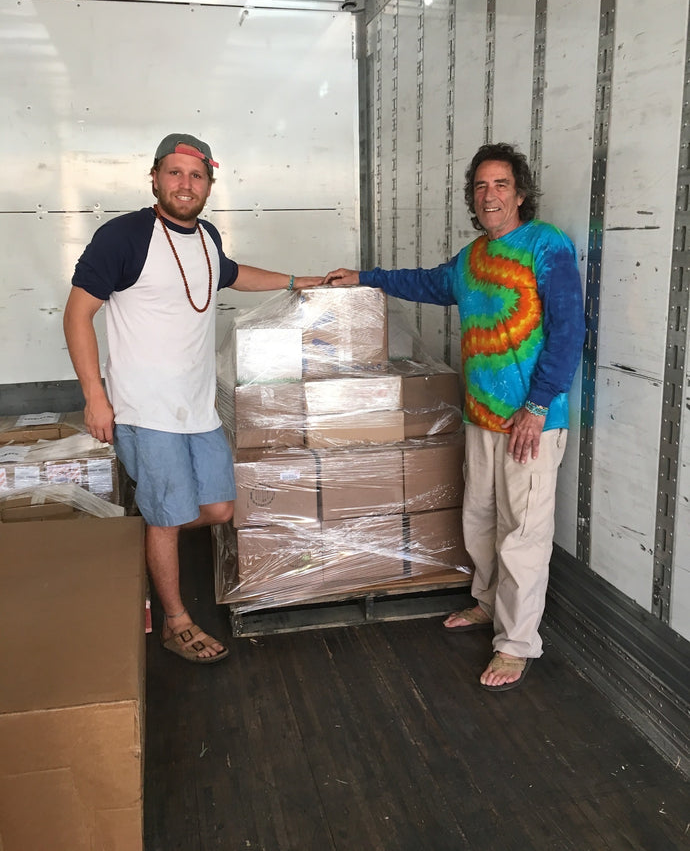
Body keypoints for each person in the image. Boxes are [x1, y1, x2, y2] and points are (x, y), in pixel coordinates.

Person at [325, 142, 585, 692]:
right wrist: (365, 278)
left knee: (524, 534)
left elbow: (568, 332)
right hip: (482, 419)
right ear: (473, 197)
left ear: (520, 193)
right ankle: (489, 605)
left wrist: (537, 407)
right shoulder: (471, 258)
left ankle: (517, 645)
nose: (490, 195)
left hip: (532, 420)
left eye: (501, 185)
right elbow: (426, 283)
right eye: (481, 186)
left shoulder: (546, 245)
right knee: (481, 520)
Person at [64, 133, 324, 664]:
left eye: (197, 175)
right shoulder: (124, 236)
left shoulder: (205, 235)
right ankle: (174, 622)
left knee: (218, 507)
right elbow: (77, 315)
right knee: (167, 516)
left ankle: (137, 540)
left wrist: (304, 280)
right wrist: (96, 397)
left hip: (197, 408)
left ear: (209, 183)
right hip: (145, 408)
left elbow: (233, 274)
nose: (186, 184)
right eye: (175, 173)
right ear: (155, 177)